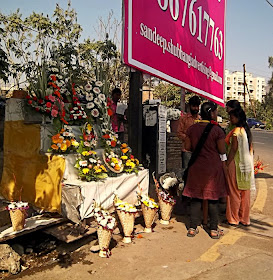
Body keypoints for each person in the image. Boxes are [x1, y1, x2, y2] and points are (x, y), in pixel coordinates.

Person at [183, 102, 228, 239]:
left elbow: (188, 147)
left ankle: (192, 228)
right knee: (213, 199)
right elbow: (222, 150)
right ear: (211, 113)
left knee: (196, 198)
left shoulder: (192, 129)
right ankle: (213, 229)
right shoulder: (217, 130)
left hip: (196, 168)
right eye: (215, 112)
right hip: (212, 169)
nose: (216, 114)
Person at [225, 108, 255, 226]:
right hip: (246, 165)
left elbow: (233, 149)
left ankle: (233, 218)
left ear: (238, 118)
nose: (230, 119)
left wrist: (227, 163)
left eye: (232, 117)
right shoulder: (246, 131)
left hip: (236, 164)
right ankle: (245, 218)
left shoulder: (236, 132)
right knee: (245, 193)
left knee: (233, 192)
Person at [177, 96, 201, 177]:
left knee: (197, 171)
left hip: (198, 150)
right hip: (187, 150)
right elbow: (179, 133)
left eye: (197, 106)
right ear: (189, 106)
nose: (195, 108)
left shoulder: (201, 119)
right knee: (187, 170)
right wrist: (188, 139)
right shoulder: (184, 118)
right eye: (193, 106)